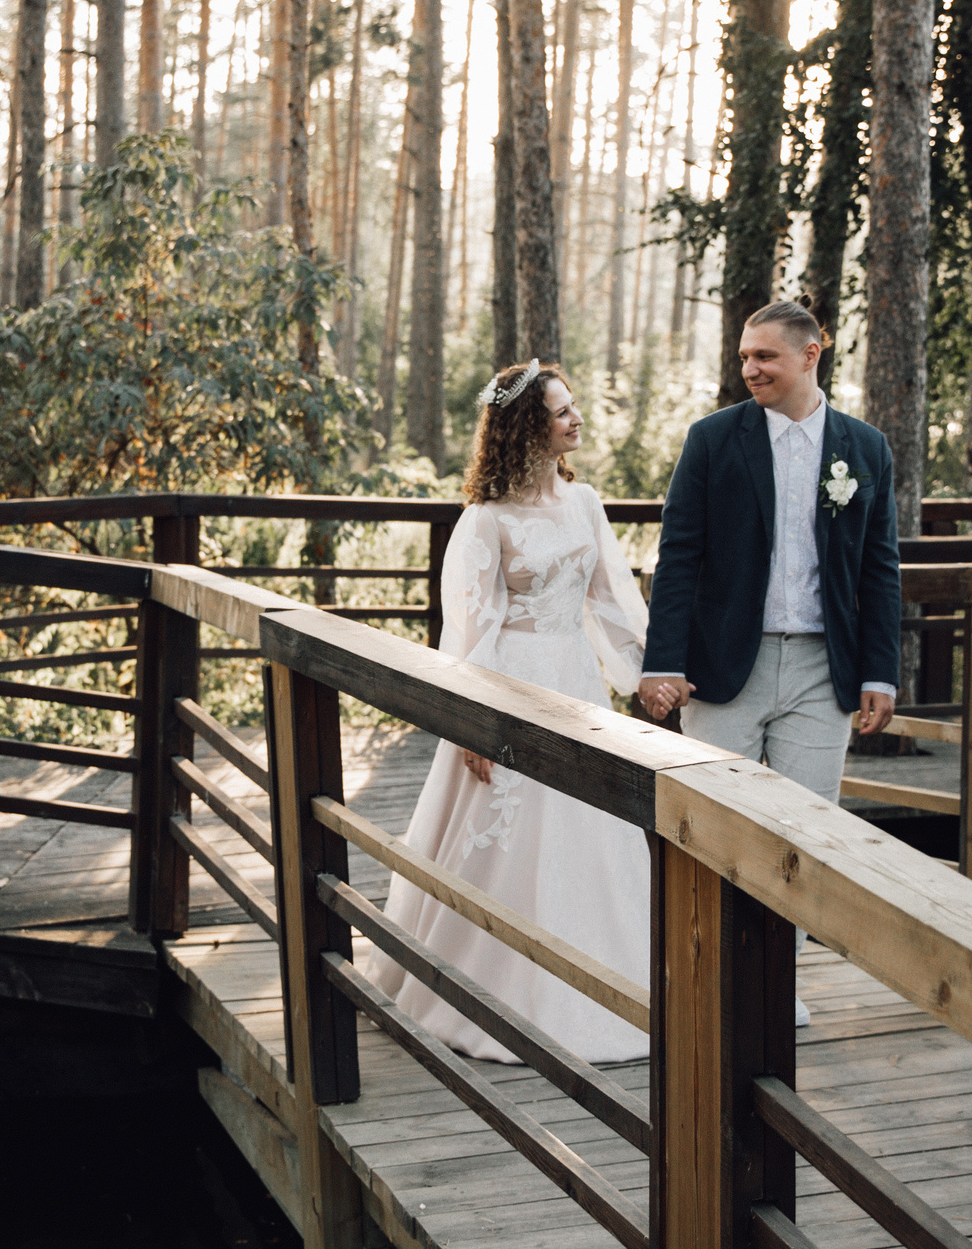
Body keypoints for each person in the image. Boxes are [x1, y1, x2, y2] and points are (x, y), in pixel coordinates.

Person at [365, 361, 654, 1064]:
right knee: (510, 830)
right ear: (528, 426)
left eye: (574, 406)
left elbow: (612, 599)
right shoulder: (484, 521)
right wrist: (472, 722)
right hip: (512, 684)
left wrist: (650, 676)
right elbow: (468, 631)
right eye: (561, 411)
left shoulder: (585, 504)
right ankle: (488, 981)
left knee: (592, 829)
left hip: (577, 683)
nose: (576, 419)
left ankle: (616, 979)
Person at [635, 300, 903, 1026]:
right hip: (725, 669)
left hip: (824, 670)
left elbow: (880, 565)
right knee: (715, 826)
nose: (749, 368)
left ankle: (776, 987)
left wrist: (880, 671)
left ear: (811, 354)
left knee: (804, 836)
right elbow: (678, 556)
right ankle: (707, 979)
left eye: (765, 357)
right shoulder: (713, 440)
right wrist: (662, 661)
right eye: (745, 356)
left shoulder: (865, 448)